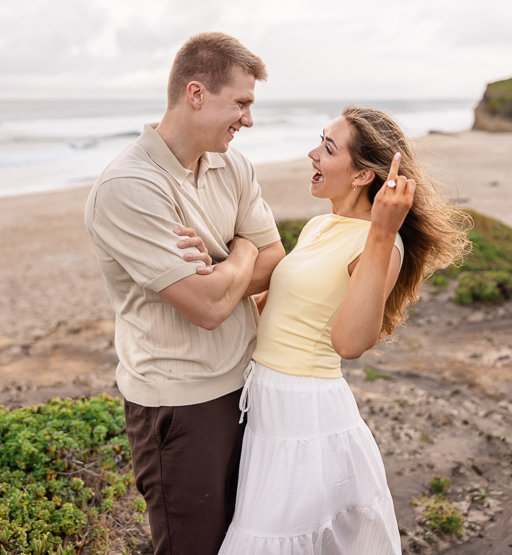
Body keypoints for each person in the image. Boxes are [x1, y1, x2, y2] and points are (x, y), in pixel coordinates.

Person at [217, 105, 470, 555]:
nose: (312, 154)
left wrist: (381, 230)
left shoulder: (382, 245)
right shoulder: (319, 226)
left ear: (361, 177)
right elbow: (276, 309)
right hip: (268, 407)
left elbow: (350, 342)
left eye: (328, 148)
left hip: (306, 414)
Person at [84, 31, 285, 555]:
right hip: (179, 406)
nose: (248, 119)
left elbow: (276, 263)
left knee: (246, 541)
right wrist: (241, 251)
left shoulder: (233, 164)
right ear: (196, 94)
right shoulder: (128, 186)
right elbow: (209, 307)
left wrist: (220, 264)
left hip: (246, 386)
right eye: (240, 103)